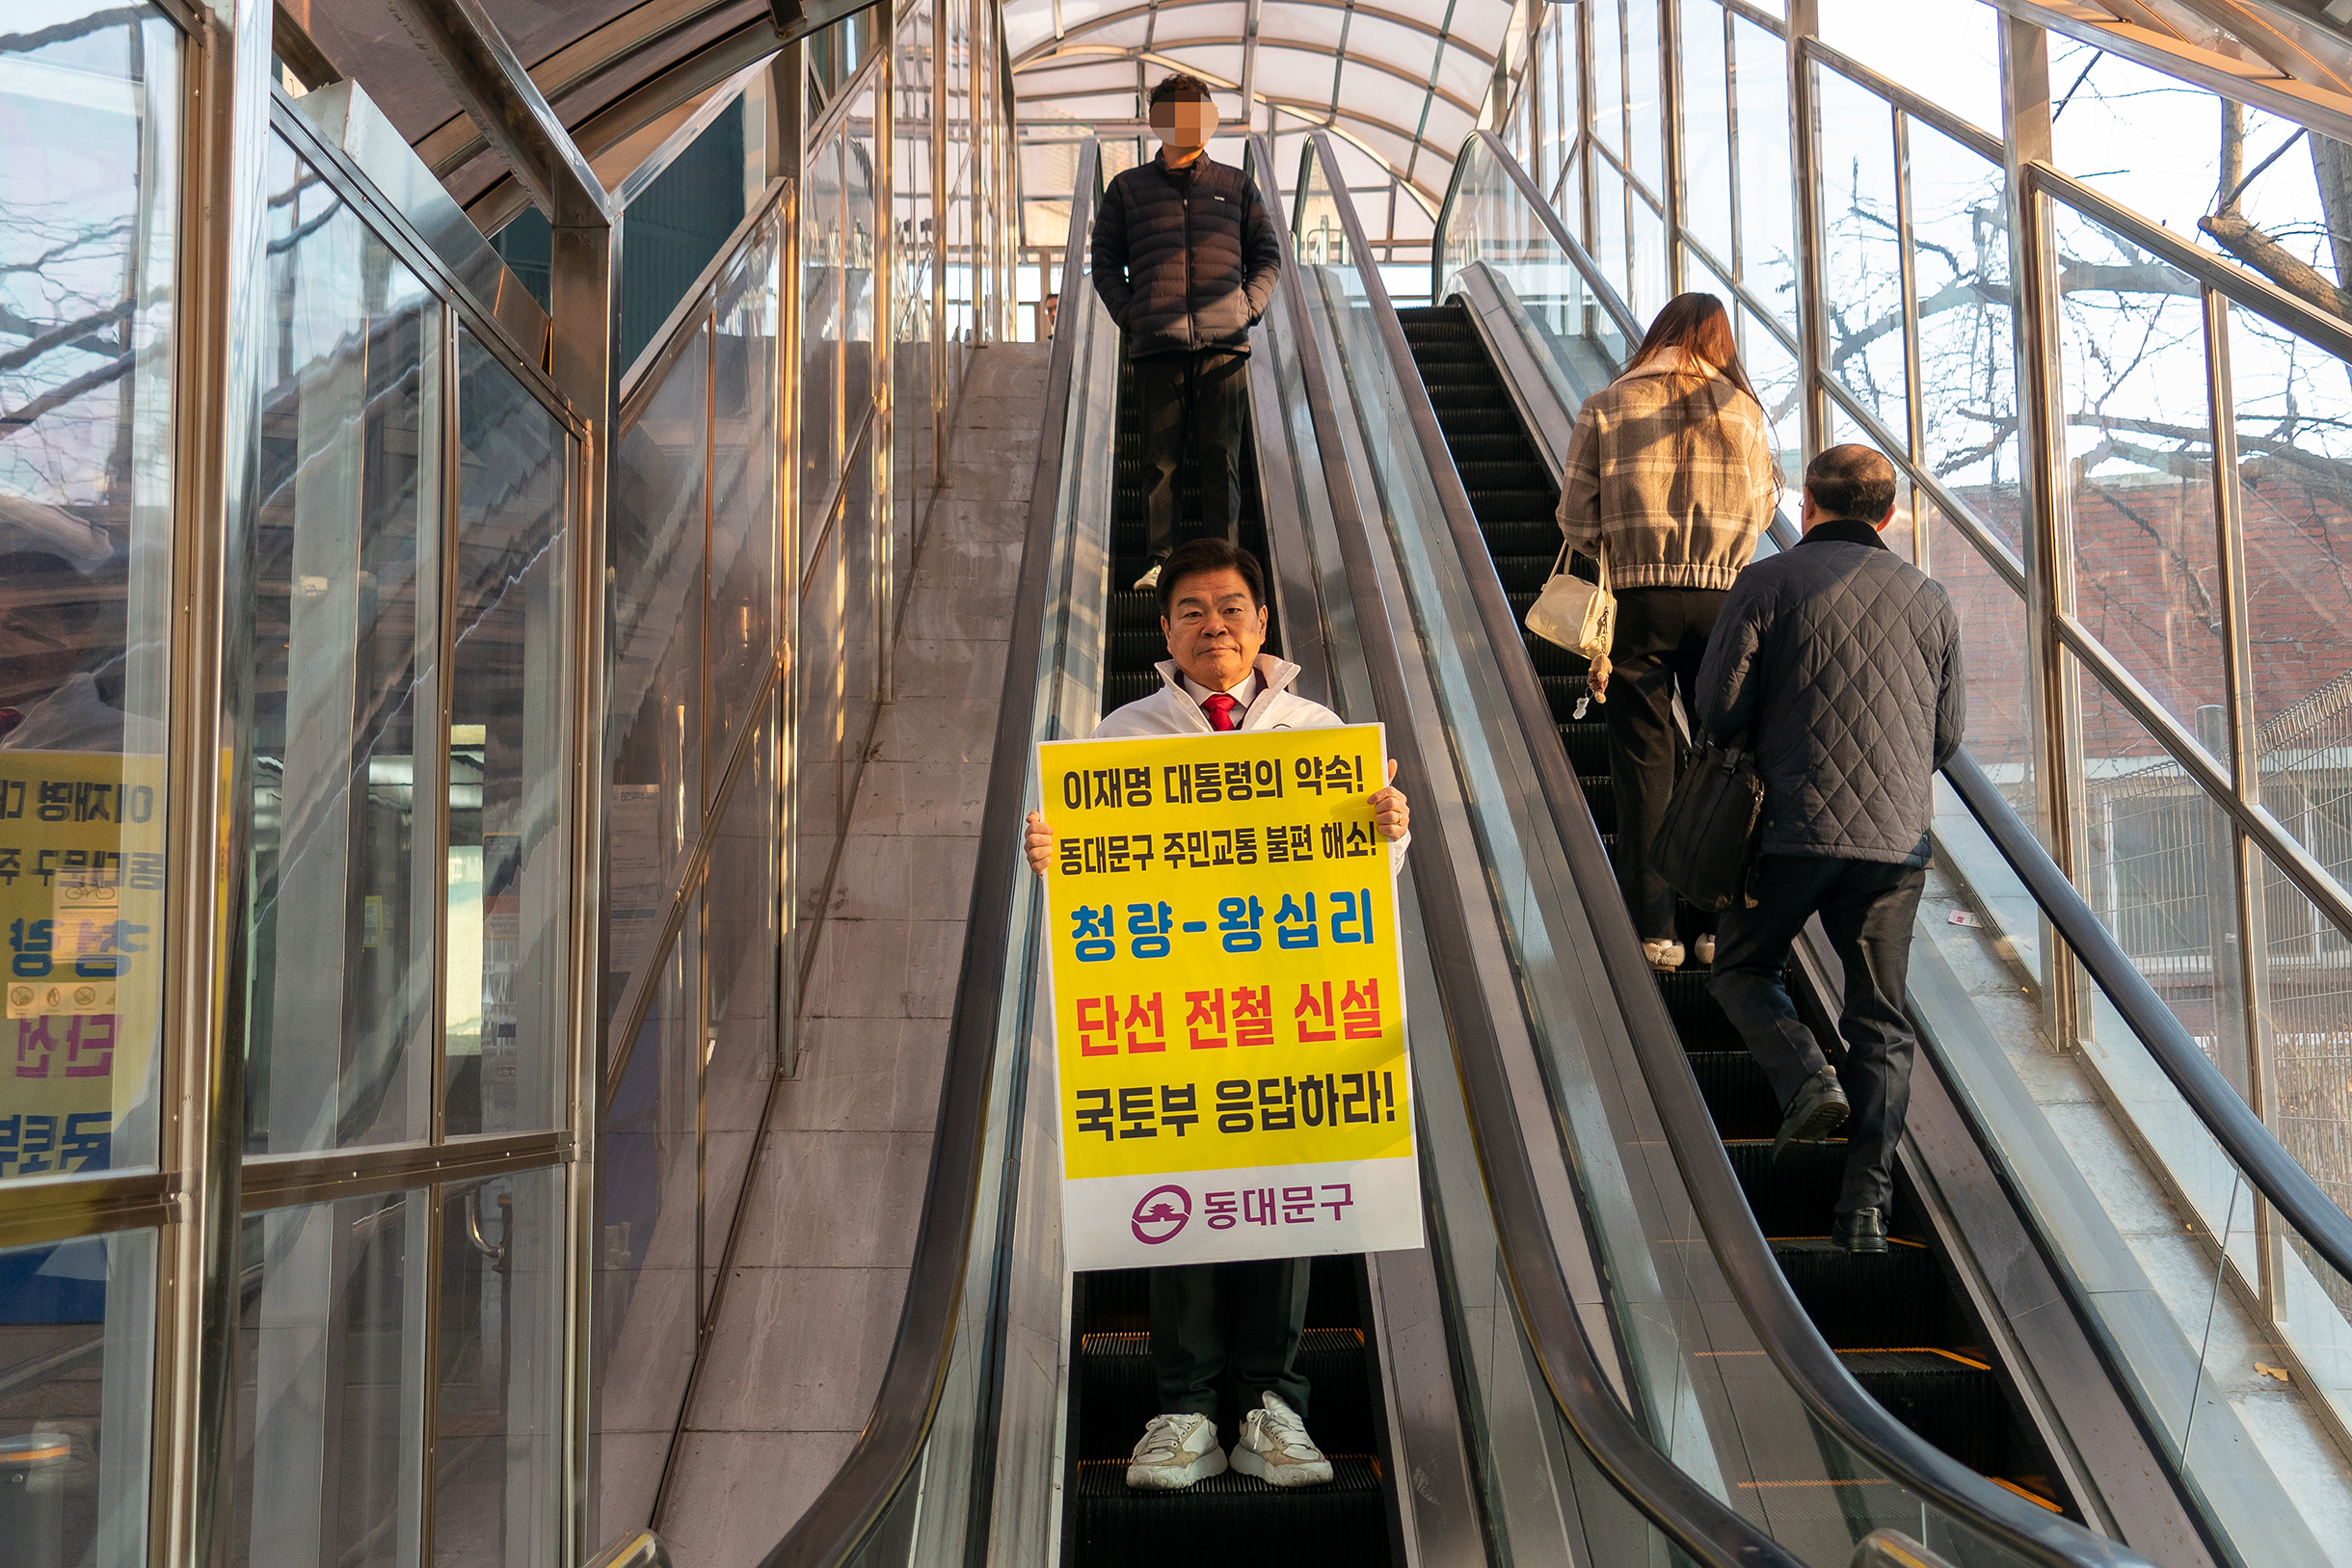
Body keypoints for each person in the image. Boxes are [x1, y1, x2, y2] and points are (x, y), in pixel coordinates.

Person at [1022, 537, 1410, 1491]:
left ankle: (1269, 1409)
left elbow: (1356, 894)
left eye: (1230, 608)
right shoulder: (1120, 740)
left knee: (1284, 1205)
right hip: (1174, 1023)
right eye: (1191, 611)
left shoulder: (1315, 732)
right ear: (1164, 630)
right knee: (1184, 1211)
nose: (1213, 627)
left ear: (1261, 621)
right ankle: (1186, 1410)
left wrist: (1387, 839)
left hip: (1289, 1016)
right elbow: (1092, 900)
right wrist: (1052, 861)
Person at [1694, 445, 1964, 1255]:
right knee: (1880, 1019)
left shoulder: (1768, 583)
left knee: (1743, 965)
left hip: (1788, 826)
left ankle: (1808, 1076)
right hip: (1893, 841)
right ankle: (1866, 1212)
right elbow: (1945, 739)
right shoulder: (1931, 598)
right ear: (1886, 516)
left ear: (1806, 504)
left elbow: (1718, 708)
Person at [1558, 293, 1781, 971]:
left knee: (1643, 766)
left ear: (1657, 336)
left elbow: (1574, 518)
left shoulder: (1605, 405)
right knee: (1724, 761)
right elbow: (1766, 506)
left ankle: (1658, 932)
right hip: (1723, 606)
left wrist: (1622, 537)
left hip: (1636, 603)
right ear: (1719, 341)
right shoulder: (1743, 413)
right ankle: (1714, 924)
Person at [1091, 74, 1283, 592]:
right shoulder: (1129, 188)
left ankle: (1223, 569)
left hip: (1224, 345)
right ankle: (1162, 562)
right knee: (1159, 463)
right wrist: (1133, 315)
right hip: (1157, 345)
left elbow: (1268, 255)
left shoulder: (1236, 185)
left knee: (1222, 460)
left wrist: (1248, 307)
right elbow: (1104, 262)